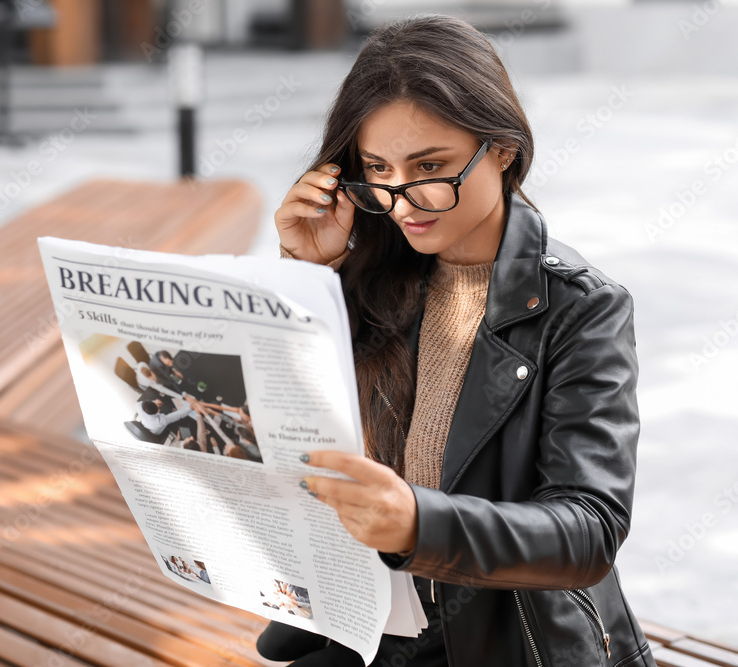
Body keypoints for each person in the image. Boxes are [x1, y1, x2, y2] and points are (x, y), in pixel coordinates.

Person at [258, 13, 655, 667]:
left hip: (509, 639)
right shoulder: (368, 278)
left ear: (502, 148)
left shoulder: (582, 308)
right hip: (374, 623)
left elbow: (590, 529)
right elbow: (289, 441)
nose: (401, 199)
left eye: (429, 166)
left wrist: (420, 523)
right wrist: (306, 276)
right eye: (376, 168)